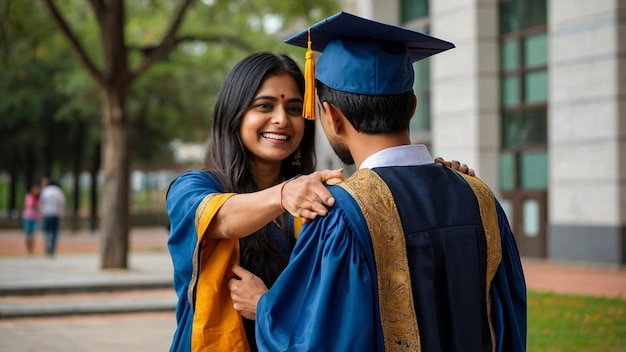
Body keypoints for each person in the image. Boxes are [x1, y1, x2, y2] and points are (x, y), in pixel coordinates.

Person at [228, 12, 527, 352]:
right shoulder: (480, 197)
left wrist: (264, 307)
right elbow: (508, 323)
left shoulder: (340, 214)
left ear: (333, 117)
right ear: (412, 107)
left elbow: (323, 341)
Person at [166, 52, 471, 351]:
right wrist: (285, 195)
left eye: (295, 108)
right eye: (264, 106)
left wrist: (438, 185)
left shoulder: (318, 195)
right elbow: (222, 219)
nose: (281, 120)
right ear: (234, 115)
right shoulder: (193, 188)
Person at [39, 177, 66, 257]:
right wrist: (62, 211)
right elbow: (62, 202)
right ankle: (52, 249)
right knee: (54, 231)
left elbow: (41, 202)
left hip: (46, 213)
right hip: (56, 213)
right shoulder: (58, 191)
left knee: (46, 230)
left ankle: (46, 244)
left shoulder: (45, 190)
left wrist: (40, 212)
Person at [22, 184, 41, 254]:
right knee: (27, 234)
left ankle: (31, 250)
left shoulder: (39, 198)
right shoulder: (29, 197)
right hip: (27, 217)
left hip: (35, 218)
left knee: (33, 234)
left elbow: (39, 207)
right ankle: (28, 248)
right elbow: (29, 205)